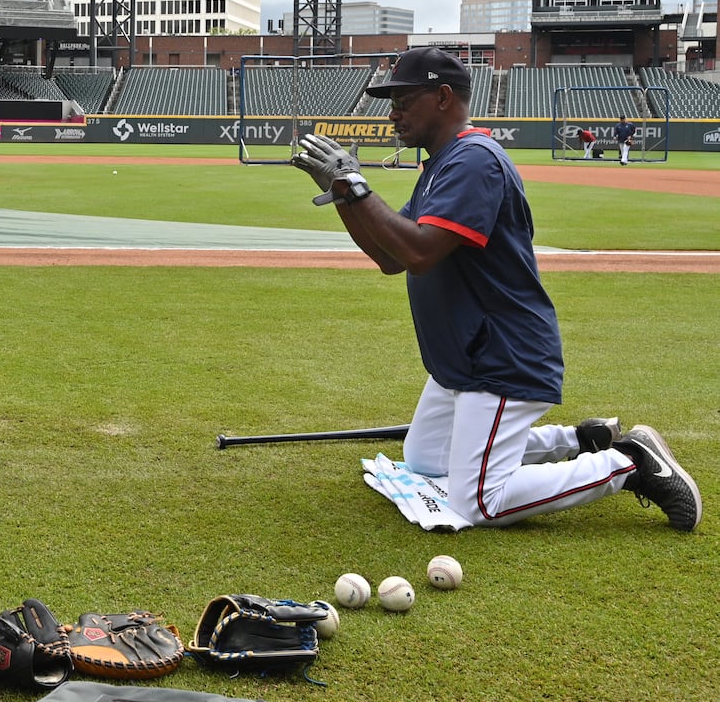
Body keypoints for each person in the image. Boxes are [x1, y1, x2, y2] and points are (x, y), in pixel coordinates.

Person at [291, 47, 700, 531]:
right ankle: (581, 439)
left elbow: (420, 254)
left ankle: (628, 462)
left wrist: (356, 186)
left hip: (500, 353)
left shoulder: (474, 161)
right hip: (465, 354)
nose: (392, 111)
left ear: (443, 97)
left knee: (479, 500)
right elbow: (390, 259)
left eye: (403, 98)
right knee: (425, 460)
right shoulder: (441, 165)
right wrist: (344, 194)